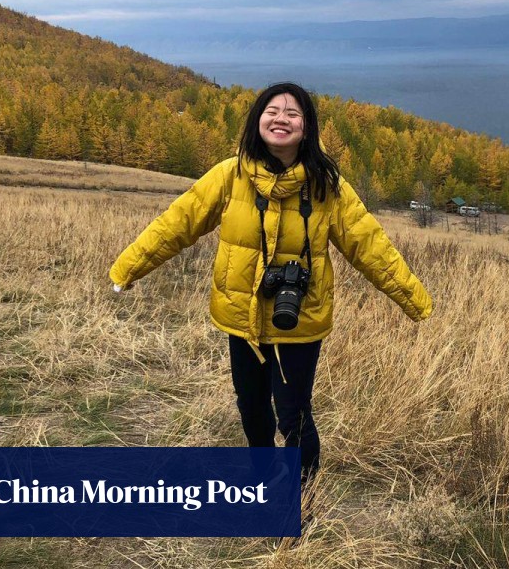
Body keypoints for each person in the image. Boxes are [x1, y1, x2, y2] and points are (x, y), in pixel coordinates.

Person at [109, 82, 432, 487]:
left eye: (293, 113)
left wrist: (413, 299)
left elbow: (370, 246)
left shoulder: (326, 186)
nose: (281, 119)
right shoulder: (229, 176)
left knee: (293, 415)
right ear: (257, 120)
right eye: (272, 111)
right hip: (240, 318)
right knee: (252, 410)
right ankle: (262, 485)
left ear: (307, 127)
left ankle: (302, 500)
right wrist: (129, 267)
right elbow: (178, 223)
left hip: (299, 322)